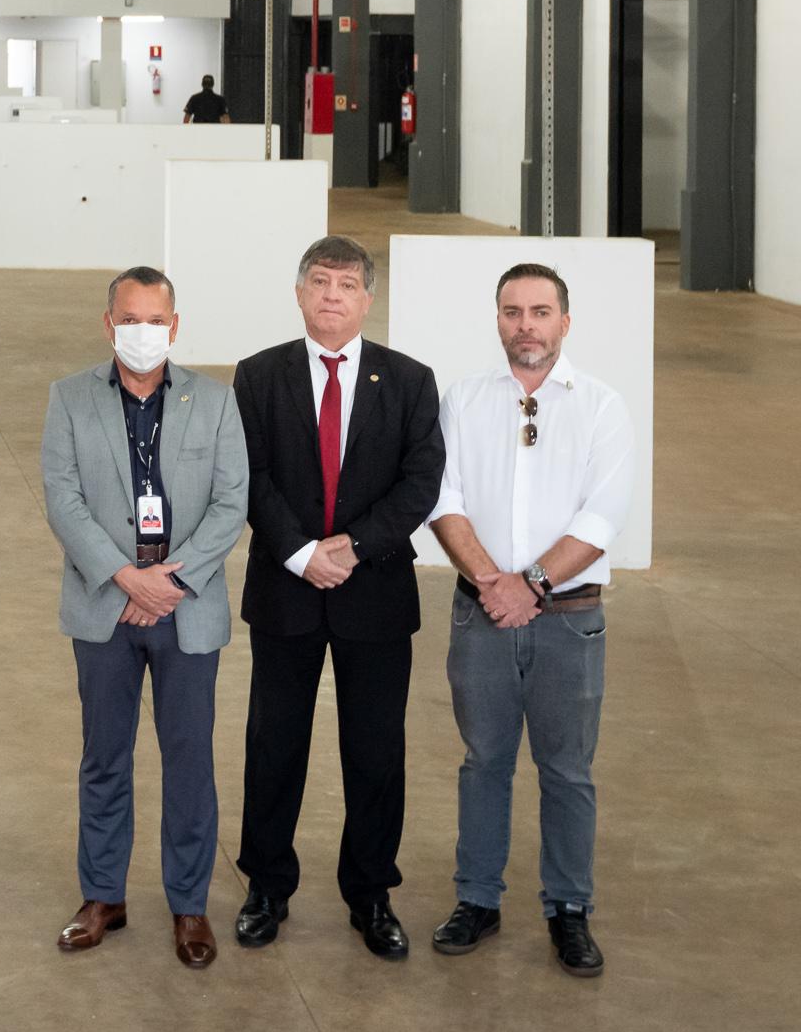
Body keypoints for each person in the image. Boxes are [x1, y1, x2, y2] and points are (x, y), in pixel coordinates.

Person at [231, 234, 443, 960]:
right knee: (274, 744)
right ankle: (266, 885)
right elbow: (249, 474)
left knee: (376, 751)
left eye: (347, 285)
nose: (332, 296)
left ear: (368, 300)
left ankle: (371, 892)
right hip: (285, 590)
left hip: (374, 591)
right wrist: (300, 553)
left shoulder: (409, 380)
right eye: (319, 282)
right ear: (299, 293)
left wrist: (352, 546)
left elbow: (421, 481)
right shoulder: (258, 376)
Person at [426, 264, 631, 978]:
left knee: (567, 769)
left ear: (564, 322)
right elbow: (443, 498)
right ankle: (477, 899)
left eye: (541, 311)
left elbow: (603, 517)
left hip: (569, 621)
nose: (526, 325)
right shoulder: (463, 400)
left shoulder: (602, 406)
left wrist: (532, 586)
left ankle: (568, 909)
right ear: (498, 320)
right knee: (483, 760)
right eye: (512, 311)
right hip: (481, 612)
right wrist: (494, 583)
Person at [41, 267, 249, 969]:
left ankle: (189, 903)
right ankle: (103, 895)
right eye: (129, 319)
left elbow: (231, 503)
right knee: (105, 755)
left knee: (189, 759)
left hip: (186, 608)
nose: (142, 332)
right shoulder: (69, 397)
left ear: (175, 326)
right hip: (106, 603)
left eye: (155, 320)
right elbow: (63, 498)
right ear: (109, 324)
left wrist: (170, 581)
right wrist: (125, 576)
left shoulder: (215, 401)